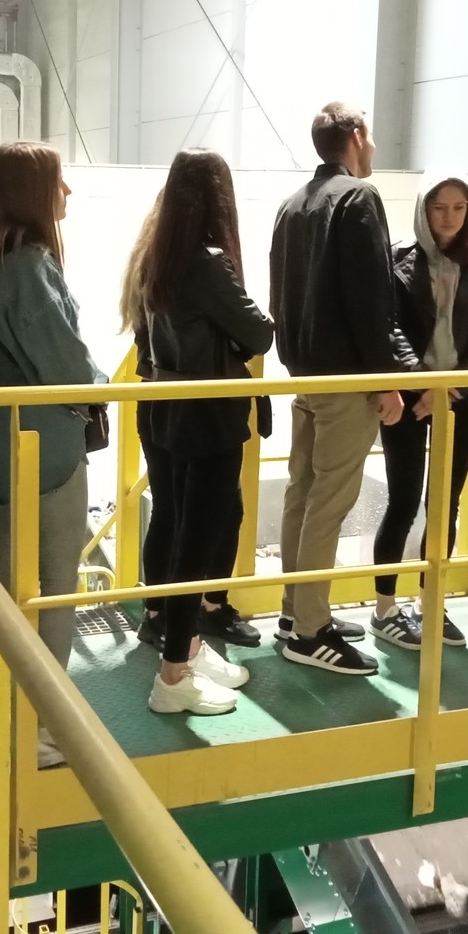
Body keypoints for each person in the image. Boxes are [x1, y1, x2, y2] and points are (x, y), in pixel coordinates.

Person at [0, 142, 106, 763]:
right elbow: (67, 365)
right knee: (55, 588)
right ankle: (43, 728)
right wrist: (103, 386)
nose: (67, 192)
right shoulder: (28, 265)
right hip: (46, 452)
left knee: (11, 584)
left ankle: (6, 714)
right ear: (34, 191)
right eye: (59, 181)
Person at [132, 150, 274, 714]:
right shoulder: (209, 262)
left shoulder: (156, 258)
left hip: (165, 406)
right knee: (198, 538)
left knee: (175, 524)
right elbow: (259, 333)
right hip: (210, 414)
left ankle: (185, 646)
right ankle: (173, 677)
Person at [269, 102, 405, 676]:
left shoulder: (291, 205)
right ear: (356, 135)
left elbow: (279, 294)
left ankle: (295, 611)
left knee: (302, 494)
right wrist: (386, 381)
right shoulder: (358, 198)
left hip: (304, 375)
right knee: (328, 503)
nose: (372, 148)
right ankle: (310, 632)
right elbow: (372, 298)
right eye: (369, 137)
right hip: (347, 379)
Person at [369, 172, 468, 650]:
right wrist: (422, 383)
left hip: (459, 399)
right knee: (404, 500)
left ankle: (431, 603)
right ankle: (384, 607)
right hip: (409, 399)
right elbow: (388, 325)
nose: (449, 218)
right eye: (439, 207)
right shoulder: (397, 258)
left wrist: (449, 389)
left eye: (459, 207)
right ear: (423, 209)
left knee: (444, 504)